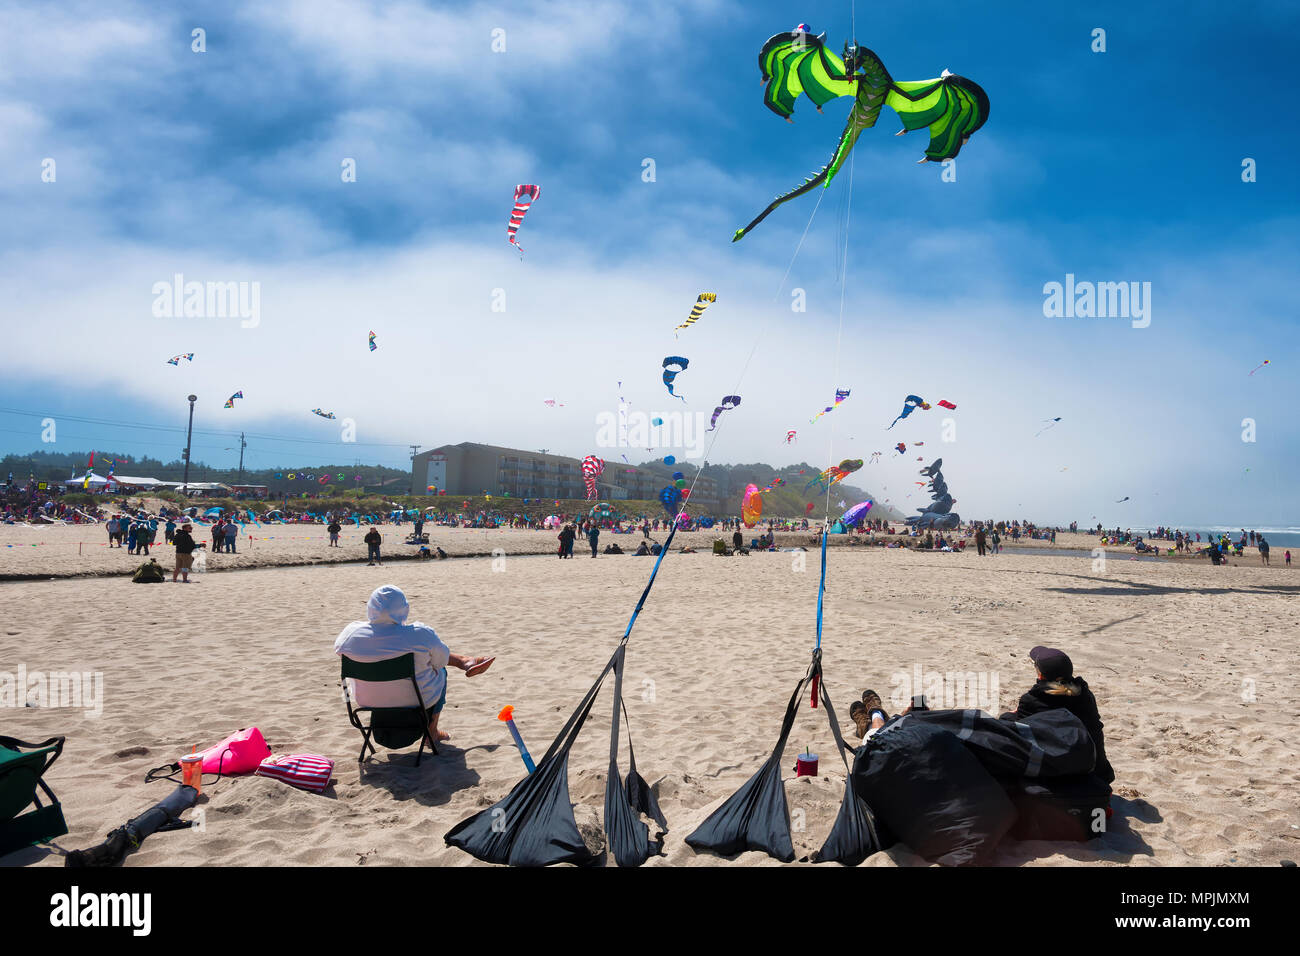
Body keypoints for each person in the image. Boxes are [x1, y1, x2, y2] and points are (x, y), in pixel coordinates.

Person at [334, 585, 493, 744]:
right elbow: (441, 661)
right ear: (404, 609)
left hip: (367, 702)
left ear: (370, 608)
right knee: (440, 670)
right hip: (415, 701)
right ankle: (432, 733)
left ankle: (465, 661)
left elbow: (340, 650)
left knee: (422, 657)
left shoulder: (350, 634)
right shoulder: (419, 633)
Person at [1000, 646, 1114, 784]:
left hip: (1062, 775)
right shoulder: (1085, 695)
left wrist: (1009, 716)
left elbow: (1022, 734)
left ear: (1040, 675)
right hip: (1098, 772)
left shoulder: (1033, 700)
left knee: (1006, 722)